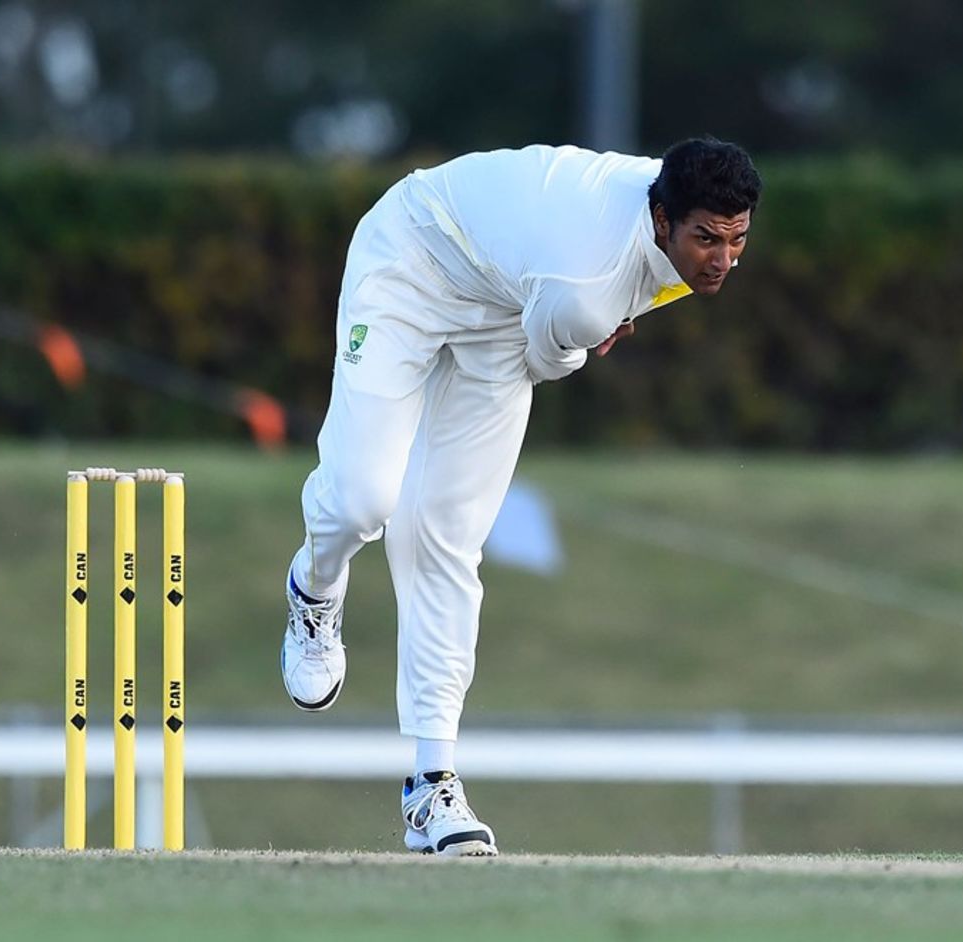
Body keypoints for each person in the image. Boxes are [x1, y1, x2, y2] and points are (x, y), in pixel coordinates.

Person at [279, 138, 762, 856]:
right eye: (705, 240)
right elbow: (551, 355)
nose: (721, 259)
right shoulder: (585, 286)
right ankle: (313, 591)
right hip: (411, 259)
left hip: (505, 308)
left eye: (737, 240)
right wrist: (599, 325)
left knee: (448, 537)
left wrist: (608, 315)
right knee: (363, 500)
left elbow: (561, 319)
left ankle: (431, 785)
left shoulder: (665, 215)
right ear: (661, 221)